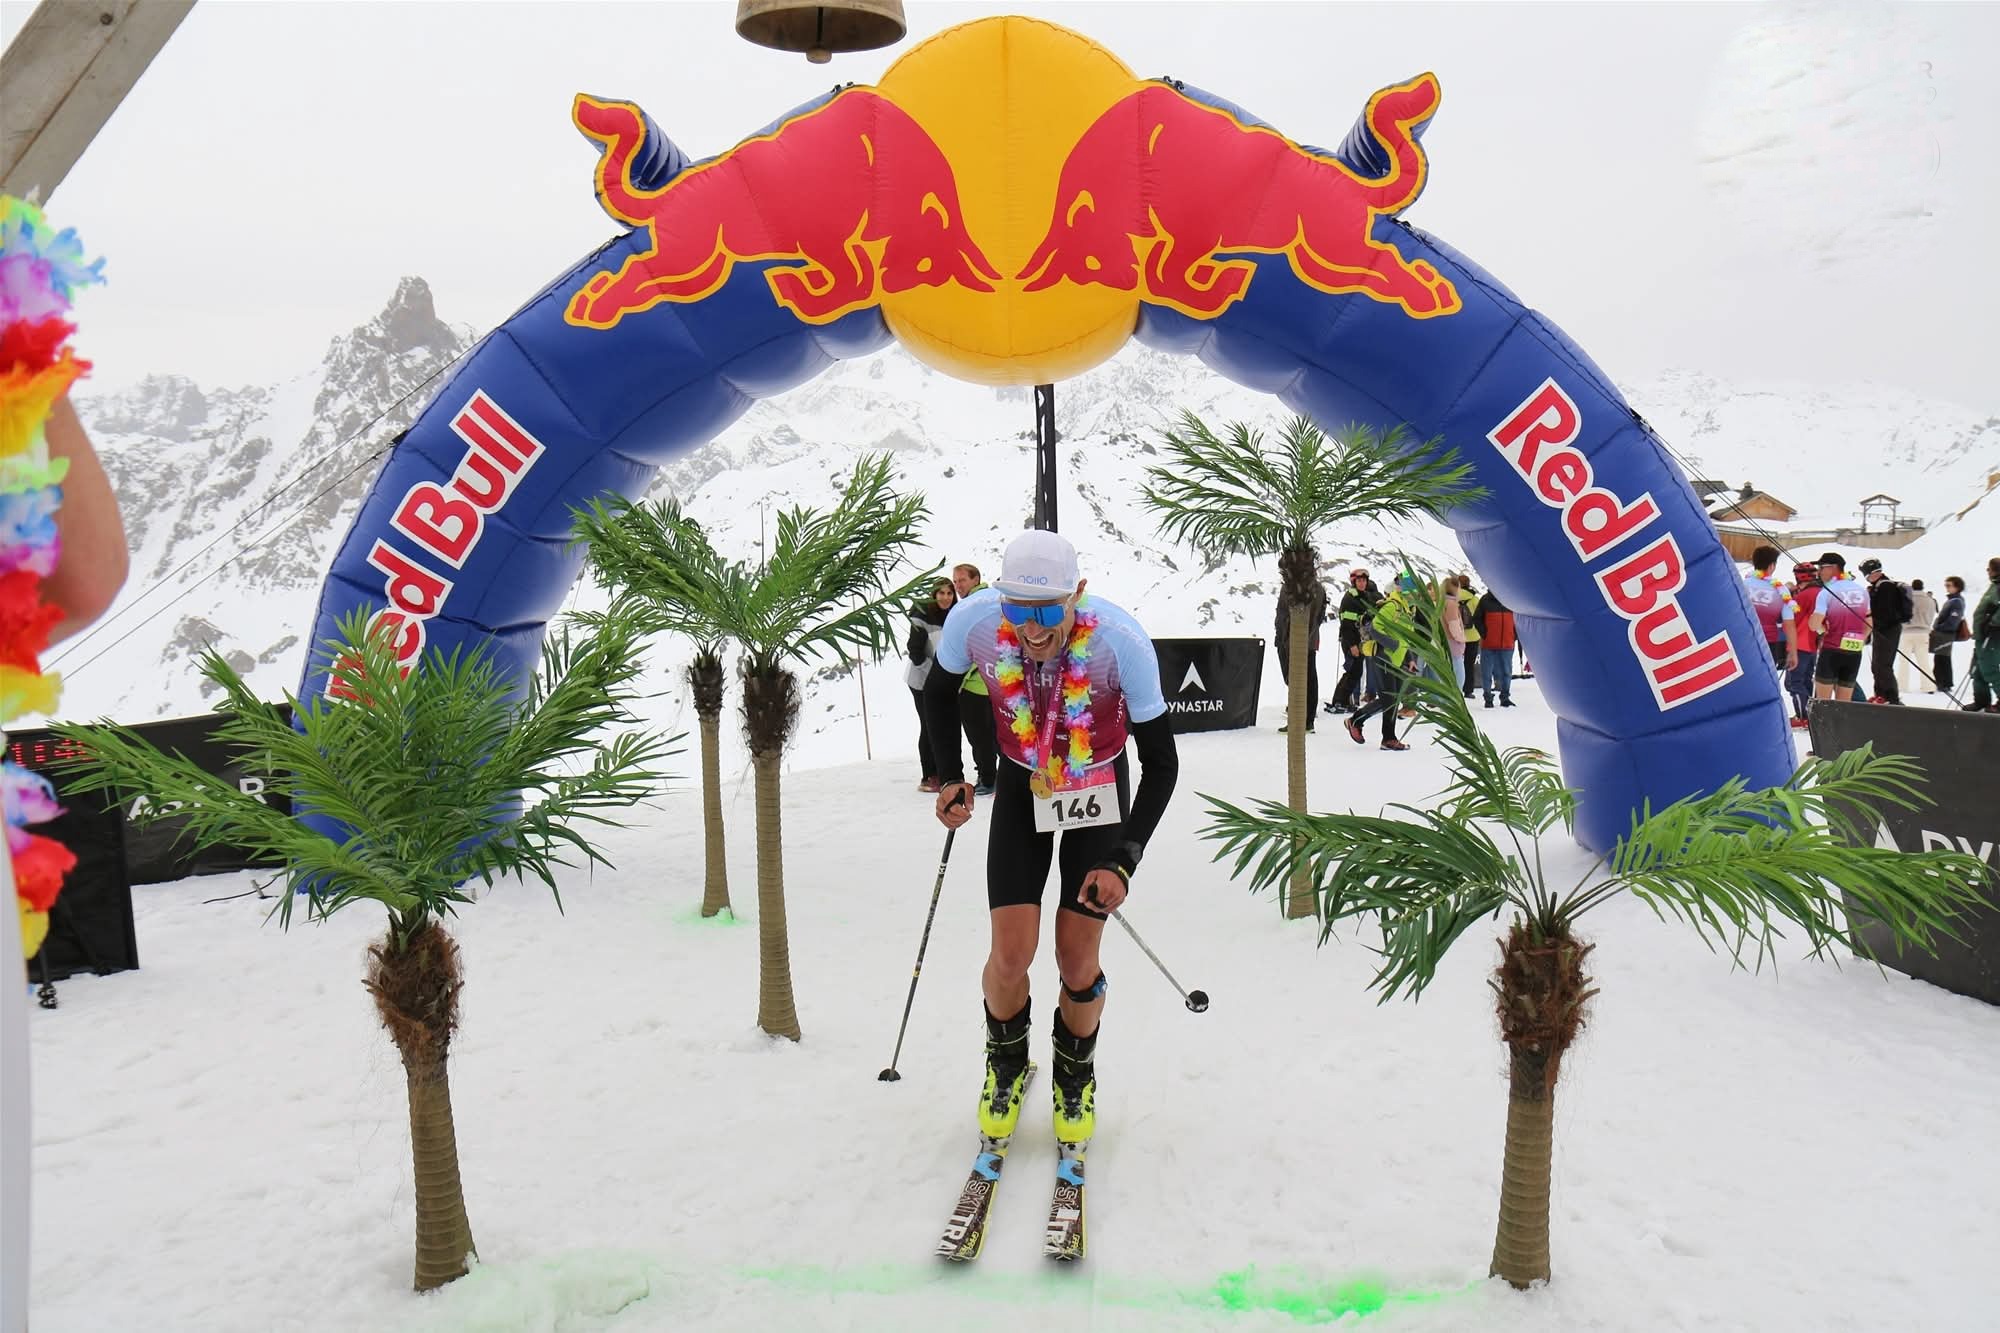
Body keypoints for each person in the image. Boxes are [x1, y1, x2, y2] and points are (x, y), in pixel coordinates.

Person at [922, 530, 1180, 1148]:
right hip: (1023, 782)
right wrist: (953, 776)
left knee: (1075, 956)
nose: (1032, 628)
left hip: (1099, 785)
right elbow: (936, 693)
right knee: (1011, 955)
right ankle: (1005, 1067)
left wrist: (1125, 859)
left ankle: (1074, 1077)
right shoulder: (976, 621)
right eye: (1017, 608)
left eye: (1047, 610)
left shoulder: (1121, 644)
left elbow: (1163, 764)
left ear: (1078, 596)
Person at [1345, 572, 1418, 750]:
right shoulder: (1393, 606)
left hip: (1397, 659)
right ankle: (1387, 738)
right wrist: (1392, 646)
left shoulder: (1409, 609)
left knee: (1391, 699)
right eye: (1413, 591)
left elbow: (1405, 636)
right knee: (1390, 699)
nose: (1416, 595)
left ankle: (1357, 721)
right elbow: (1376, 629)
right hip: (1384, 656)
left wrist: (1409, 658)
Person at [950, 561, 1000, 795]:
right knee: (998, 733)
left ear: (975, 579)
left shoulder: (970, 606)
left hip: (974, 684)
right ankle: (1003, 776)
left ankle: (988, 778)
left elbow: (971, 648)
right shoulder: (993, 600)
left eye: (962, 580)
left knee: (979, 736)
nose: (958, 586)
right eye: (955, 581)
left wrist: (958, 678)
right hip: (996, 682)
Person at [905, 578, 956, 791]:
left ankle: (944, 773)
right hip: (922, 681)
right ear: (934, 595)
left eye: (949, 593)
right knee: (929, 726)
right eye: (941, 593)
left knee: (943, 726)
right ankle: (929, 776)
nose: (945, 597)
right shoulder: (921, 617)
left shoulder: (954, 615)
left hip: (944, 681)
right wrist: (935, 676)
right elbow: (915, 653)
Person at [1809, 552, 1870, 704]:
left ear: (1833, 568)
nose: (1819, 572)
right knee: (1844, 704)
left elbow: (1814, 624)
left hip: (1831, 650)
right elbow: (1870, 621)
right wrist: (1861, 638)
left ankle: (1825, 728)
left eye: (1821, 567)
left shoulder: (1826, 592)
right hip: (1854, 651)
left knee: (1823, 703)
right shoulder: (1862, 590)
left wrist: (1821, 629)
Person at [1272, 575, 1326, 732]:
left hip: (1301, 642)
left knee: (1304, 679)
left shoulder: (1313, 588)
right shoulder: (1290, 586)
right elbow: (1282, 613)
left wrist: (1300, 638)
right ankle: (1304, 719)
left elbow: (1314, 617)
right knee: (1299, 677)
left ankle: (1304, 721)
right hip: (1288, 639)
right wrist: (1280, 636)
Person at [1327, 567, 1381, 714]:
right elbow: (1346, 625)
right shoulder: (1350, 599)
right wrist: (1352, 645)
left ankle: (1343, 700)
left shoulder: (1363, 596)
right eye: (1359, 581)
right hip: (1352, 641)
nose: (1362, 583)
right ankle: (1339, 701)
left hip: (1360, 640)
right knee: (1353, 671)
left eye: (1364, 580)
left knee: (1354, 672)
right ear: (1354, 582)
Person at [1857, 557, 1910, 704]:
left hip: (1888, 630)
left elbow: (1886, 612)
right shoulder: (1878, 586)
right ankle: (1880, 694)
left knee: (1883, 665)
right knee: (1877, 665)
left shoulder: (1885, 586)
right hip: (1882, 629)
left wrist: (1874, 620)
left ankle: (1891, 698)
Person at [1743, 544, 1799, 681]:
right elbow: (1789, 625)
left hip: (1743, 639)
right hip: (1768, 643)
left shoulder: (1742, 584)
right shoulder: (1781, 590)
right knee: (1764, 681)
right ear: (1772, 566)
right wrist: (1793, 652)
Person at [1787, 560, 1822, 728]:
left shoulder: (1803, 596)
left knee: (1794, 682)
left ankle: (1803, 716)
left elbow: (1792, 619)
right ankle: (1809, 715)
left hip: (1799, 642)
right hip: (1813, 643)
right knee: (1806, 679)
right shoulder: (1821, 592)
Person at [1474, 585, 1516, 707]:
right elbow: (1476, 619)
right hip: (1490, 643)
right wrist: (1485, 634)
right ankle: (1488, 698)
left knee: (1506, 672)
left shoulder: (1510, 599)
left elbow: (1518, 619)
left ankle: (1505, 697)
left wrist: (1513, 635)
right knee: (1487, 672)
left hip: (1507, 643)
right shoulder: (1485, 600)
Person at [1968, 557, 2000, 713]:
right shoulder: (1994, 586)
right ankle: (1981, 700)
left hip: (1992, 637)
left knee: (1989, 669)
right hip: (1983, 636)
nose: (1987, 571)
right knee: (1977, 670)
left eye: (1989, 568)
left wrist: (1993, 623)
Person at [1930, 576, 1966, 696]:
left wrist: (1940, 627)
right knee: (1940, 657)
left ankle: (1944, 683)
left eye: (1949, 585)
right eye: (1946, 585)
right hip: (1944, 633)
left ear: (1957, 587)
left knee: (1943, 658)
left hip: (1946, 634)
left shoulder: (1957, 601)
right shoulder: (1952, 600)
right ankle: (1942, 681)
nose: (1947, 588)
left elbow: (1954, 619)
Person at [1902, 578, 1939, 694]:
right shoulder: (1930, 600)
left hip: (1906, 632)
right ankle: (1929, 686)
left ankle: (1902, 686)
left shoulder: (1907, 598)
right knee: (1923, 661)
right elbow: (1932, 615)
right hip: (1923, 633)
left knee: (1904, 660)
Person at [1439, 575, 1468, 692]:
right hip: (1453, 643)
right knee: (1458, 675)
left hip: (1444, 641)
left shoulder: (1441, 602)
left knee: (1447, 674)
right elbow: (1454, 625)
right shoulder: (1451, 604)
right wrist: (1461, 638)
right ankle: (1456, 700)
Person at [1456, 573, 1481, 698]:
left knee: (1456, 663)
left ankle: (1456, 688)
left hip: (1457, 636)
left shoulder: (1452, 598)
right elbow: (1479, 617)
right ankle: (1468, 690)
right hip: (1473, 636)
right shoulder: (1474, 599)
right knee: (1469, 664)